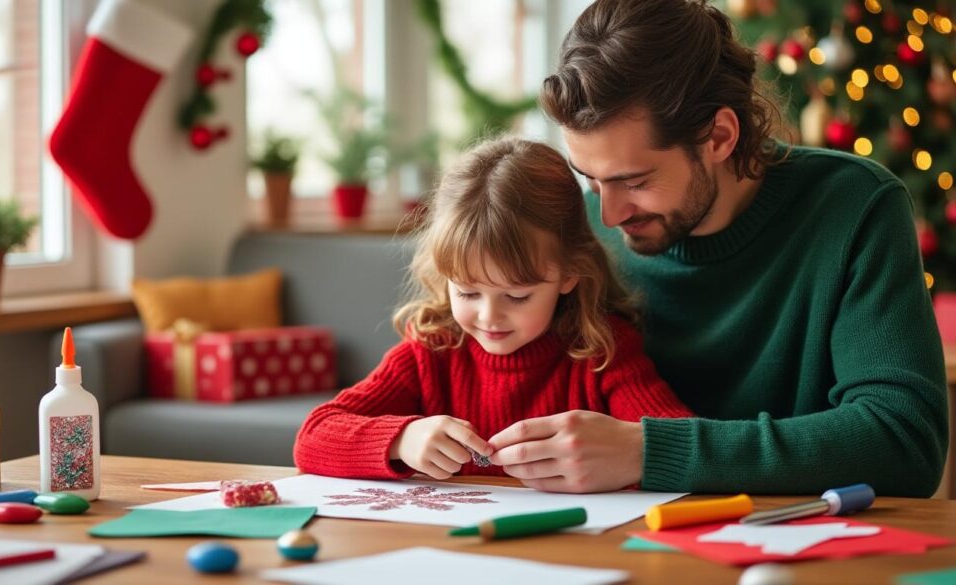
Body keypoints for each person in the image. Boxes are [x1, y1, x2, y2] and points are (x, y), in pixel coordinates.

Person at [488, 0, 948, 496]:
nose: (608, 216)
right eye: (592, 180)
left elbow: (905, 442)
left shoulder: (854, 207)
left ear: (720, 136)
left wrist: (648, 452)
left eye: (635, 181)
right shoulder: (574, 231)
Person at [294, 138, 693, 482]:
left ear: (570, 273)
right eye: (467, 293)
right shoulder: (433, 350)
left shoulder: (603, 350)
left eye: (517, 297)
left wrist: (629, 457)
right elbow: (313, 437)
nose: (488, 317)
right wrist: (402, 439)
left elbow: (683, 442)